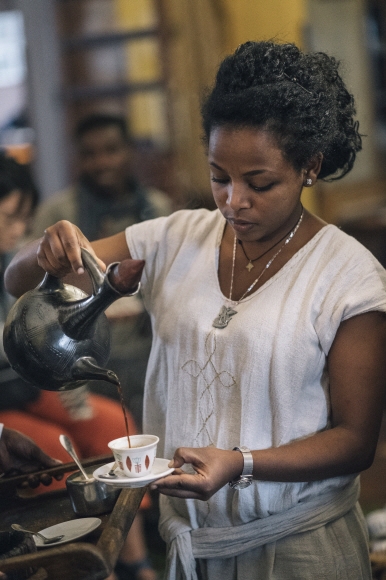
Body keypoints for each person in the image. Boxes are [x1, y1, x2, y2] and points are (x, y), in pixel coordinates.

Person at [5, 40, 386, 580]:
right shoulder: (175, 239)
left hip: (300, 549)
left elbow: (355, 441)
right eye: (219, 177)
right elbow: (17, 278)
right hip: (195, 546)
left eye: (259, 183)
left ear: (309, 167)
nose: (233, 201)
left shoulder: (349, 277)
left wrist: (242, 463)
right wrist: (48, 249)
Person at [0, 153, 157, 580]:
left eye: (24, 219)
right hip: (7, 396)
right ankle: (62, 559)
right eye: (12, 216)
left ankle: (132, 560)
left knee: (113, 422)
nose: (18, 230)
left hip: (33, 388)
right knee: (53, 448)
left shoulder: (9, 261)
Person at [30, 112, 173, 429]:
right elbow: (36, 294)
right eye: (89, 154)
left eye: (111, 150)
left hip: (149, 350)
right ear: (77, 159)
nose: (102, 162)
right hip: (83, 358)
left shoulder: (157, 208)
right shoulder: (58, 214)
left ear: (130, 151)